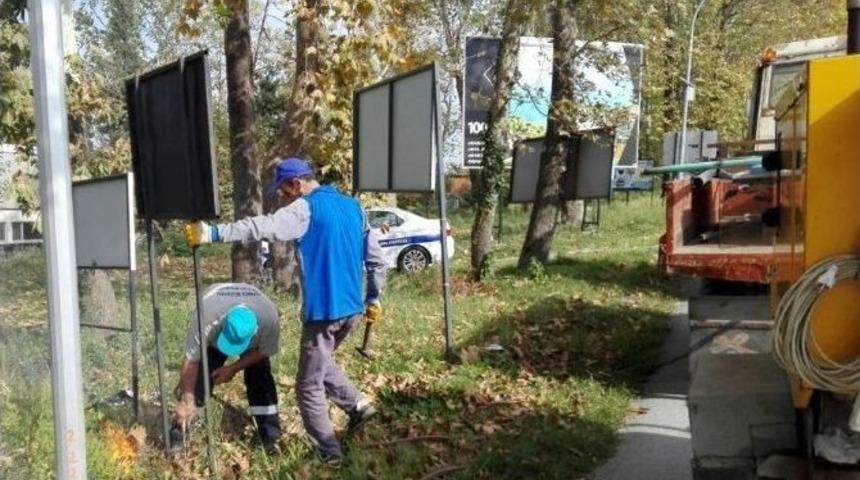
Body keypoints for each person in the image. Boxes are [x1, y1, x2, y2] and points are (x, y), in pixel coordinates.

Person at [184, 157, 388, 465]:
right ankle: (358, 405)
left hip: (325, 312)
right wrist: (374, 297)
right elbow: (377, 260)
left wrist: (213, 234)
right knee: (319, 362)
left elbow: (261, 226)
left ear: (297, 184)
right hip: (353, 311)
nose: (283, 198)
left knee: (308, 385)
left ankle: (329, 454)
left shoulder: (305, 208)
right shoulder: (354, 207)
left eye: (283, 191)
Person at [171, 282, 281, 451]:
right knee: (200, 378)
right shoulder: (206, 317)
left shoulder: (269, 318)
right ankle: (180, 429)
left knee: (260, 378)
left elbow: (264, 351)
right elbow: (191, 360)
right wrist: (187, 397)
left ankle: (270, 435)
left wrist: (233, 368)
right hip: (214, 328)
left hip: (254, 340)